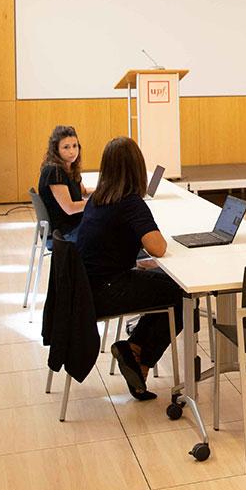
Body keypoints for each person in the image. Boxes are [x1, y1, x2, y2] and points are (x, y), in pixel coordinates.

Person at [76, 137, 182, 401]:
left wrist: (138, 262)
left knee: (164, 282)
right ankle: (140, 359)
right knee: (181, 295)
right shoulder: (129, 202)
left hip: (87, 289)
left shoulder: (98, 198)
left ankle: (133, 349)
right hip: (108, 290)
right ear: (137, 167)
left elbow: (109, 245)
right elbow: (158, 247)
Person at [38, 125, 91, 241]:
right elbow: (70, 208)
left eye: (74, 146)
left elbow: (84, 192)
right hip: (62, 234)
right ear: (56, 150)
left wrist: (107, 190)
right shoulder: (54, 171)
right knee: (109, 227)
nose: (72, 151)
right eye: (66, 147)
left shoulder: (69, 167)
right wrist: (97, 201)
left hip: (71, 226)